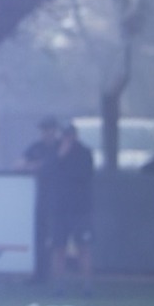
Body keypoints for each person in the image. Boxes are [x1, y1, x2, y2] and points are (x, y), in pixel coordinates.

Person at [47, 121, 95, 283]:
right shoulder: (55, 151)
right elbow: (47, 172)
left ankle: (86, 284)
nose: (68, 138)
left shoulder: (85, 153)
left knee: (83, 247)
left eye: (71, 135)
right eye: (65, 135)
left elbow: (84, 175)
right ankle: (58, 284)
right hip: (59, 208)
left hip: (79, 208)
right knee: (58, 247)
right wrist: (60, 155)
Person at [21, 117, 62, 284]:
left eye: (50, 129)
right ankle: (40, 273)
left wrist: (43, 165)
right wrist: (37, 166)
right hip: (41, 198)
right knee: (40, 237)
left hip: (60, 199)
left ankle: (56, 274)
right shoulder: (36, 147)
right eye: (44, 129)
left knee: (58, 238)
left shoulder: (61, 147)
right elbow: (19, 165)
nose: (47, 133)